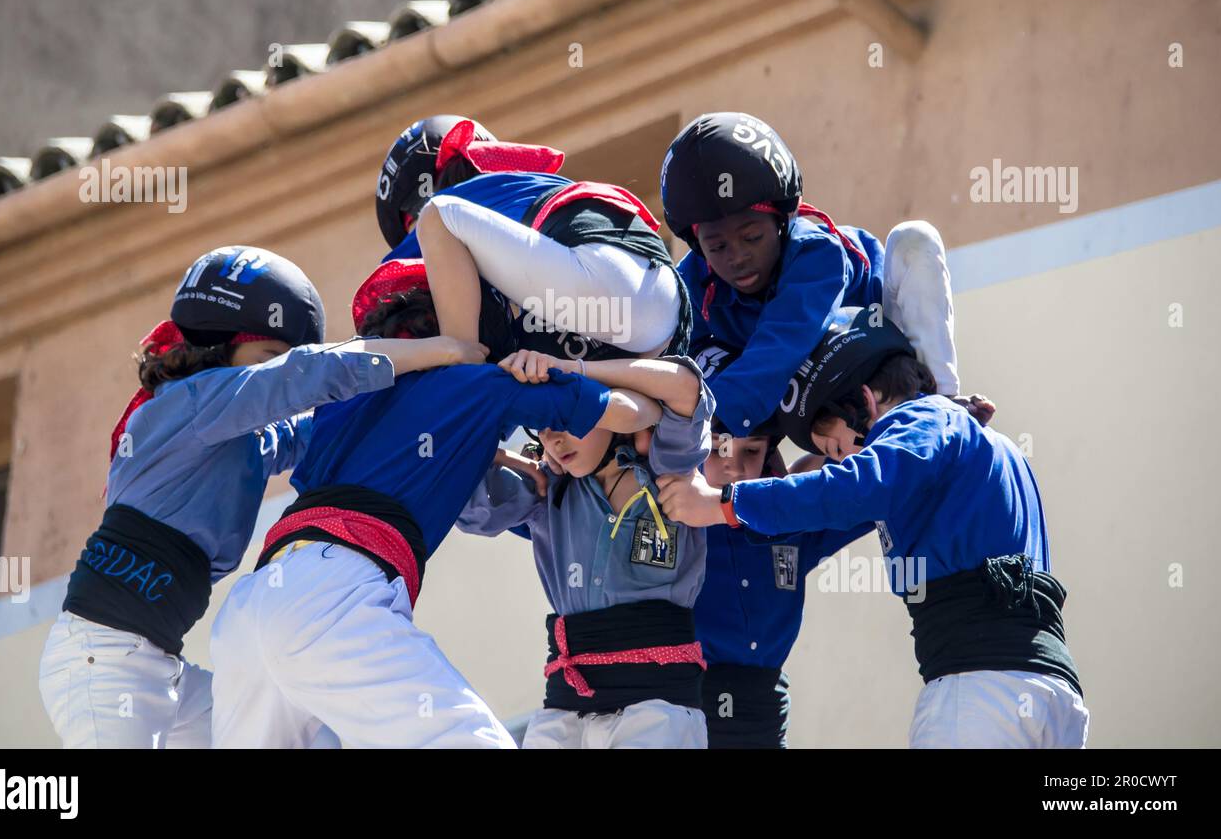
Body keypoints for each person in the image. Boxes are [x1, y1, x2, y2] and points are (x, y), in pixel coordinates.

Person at [37, 246, 481, 748]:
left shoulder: (239, 441)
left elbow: (322, 428)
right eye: (271, 356)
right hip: (100, 663)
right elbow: (303, 379)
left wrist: (448, 410)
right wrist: (445, 349)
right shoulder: (185, 407)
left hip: (160, 669)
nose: (278, 370)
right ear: (224, 347)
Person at [210, 259, 661, 748]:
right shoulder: (480, 384)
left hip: (250, 606)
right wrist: (563, 368)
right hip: (333, 596)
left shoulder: (344, 395)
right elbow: (630, 409)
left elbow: (401, 442)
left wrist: (490, 453)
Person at [656, 308, 1089, 749]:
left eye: (837, 448)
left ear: (863, 402)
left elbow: (851, 491)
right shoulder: (970, 438)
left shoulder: (922, 422)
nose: (842, 462)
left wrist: (727, 504)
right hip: (1051, 690)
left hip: (982, 695)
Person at [660, 111, 990, 440]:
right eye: (717, 247)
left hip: (887, 351)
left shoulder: (818, 254)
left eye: (752, 238)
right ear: (698, 246)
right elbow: (671, 361)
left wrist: (693, 421)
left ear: (782, 219)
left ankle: (943, 401)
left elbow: (779, 348)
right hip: (810, 402)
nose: (737, 257)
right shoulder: (688, 286)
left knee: (914, 238)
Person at [457, 348, 714, 748]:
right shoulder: (544, 489)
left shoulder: (666, 468)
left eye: (566, 419)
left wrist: (571, 371)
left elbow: (685, 388)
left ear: (612, 413)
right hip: (563, 711)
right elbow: (465, 508)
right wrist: (486, 444)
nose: (553, 439)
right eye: (541, 428)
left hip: (656, 708)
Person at [374, 114, 691, 360]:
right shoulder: (524, 197)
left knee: (437, 216)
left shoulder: (454, 207)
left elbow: (385, 285)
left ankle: (462, 373)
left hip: (612, 295)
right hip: (663, 321)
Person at [689, 342, 873, 749]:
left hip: (769, 718)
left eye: (750, 450)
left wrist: (936, 417)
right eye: (718, 449)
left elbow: (873, 493)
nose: (733, 465)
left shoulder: (791, 523)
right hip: (688, 716)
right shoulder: (675, 523)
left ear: (770, 456)